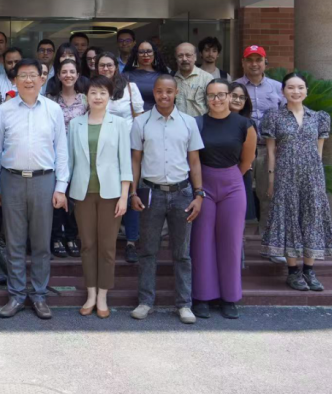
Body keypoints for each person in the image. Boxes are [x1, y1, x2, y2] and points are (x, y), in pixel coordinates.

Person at [0, 59, 69, 320]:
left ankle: (39, 296)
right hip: (11, 180)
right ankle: (15, 295)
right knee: (14, 242)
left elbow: (62, 151)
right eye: (22, 75)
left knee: (40, 243)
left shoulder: (53, 109)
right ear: (14, 80)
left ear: (41, 78)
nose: (28, 80)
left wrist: (61, 187)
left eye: (33, 75)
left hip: (44, 181)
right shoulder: (4, 110)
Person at [129, 74, 205, 325]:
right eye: (160, 91)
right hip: (151, 192)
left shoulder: (188, 123)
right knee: (147, 250)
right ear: (154, 92)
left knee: (182, 253)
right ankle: (145, 301)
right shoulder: (141, 122)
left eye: (169, 91)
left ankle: (184, 304)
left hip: (182, 192)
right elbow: (136, 160)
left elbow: (194, 161)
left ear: (176, 93)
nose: (164, 96)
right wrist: (132, 192)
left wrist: (199, 194)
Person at [261, 73, 332, 292]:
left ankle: (309, 270)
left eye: (300, 87)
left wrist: (319, 180)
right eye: (291, 88)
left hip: (312, 176)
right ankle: (293, 272)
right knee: (289, 219)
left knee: (311, 218)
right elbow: (272, 152)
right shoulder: (274, 117)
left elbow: (319, 152)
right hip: (285, 175)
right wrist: (272, 180)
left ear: (306, 91)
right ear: (283, 91)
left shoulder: (319, 117)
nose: (296, 91)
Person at [190, 79, 257, 320]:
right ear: (205, 98)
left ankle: (229, 297)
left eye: (221, 95)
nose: (216, 100)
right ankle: (202, 297)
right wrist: (201, 187)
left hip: (232, 184)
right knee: (201, 241)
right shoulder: (197, 124)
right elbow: (193, 159)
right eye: (211, 95)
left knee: (230, 241)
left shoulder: (244, 125)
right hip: (203, 184)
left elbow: (247, 161)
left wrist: (229, 179)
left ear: (230, 97)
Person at [67, 75, 133, 319]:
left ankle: (103, 296)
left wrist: (124, 196)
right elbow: (69, 161)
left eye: (102, 93)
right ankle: (91, 294)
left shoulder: (119, 124)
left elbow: (125, 162)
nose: (97, 97)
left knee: (107, 247)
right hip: (82, 193)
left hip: (111, 194)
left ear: (109, 96)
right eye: (93, 92)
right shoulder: (75, 124)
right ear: (86, 96)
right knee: (87, 245)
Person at [96, 51, 144, 262]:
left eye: (109, 65)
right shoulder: (93, 87)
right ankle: (106, 240)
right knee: (105, 195)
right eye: (101, 65)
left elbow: (139, 117)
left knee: (131, 192)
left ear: (116, 67)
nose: (105, 69)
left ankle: (131, 241)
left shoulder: (130, 88)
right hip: (101, 149)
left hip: (128, 148)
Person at [235, 45, 285, 240]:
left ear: (265, 62)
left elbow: (286, 115)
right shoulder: (235, 86)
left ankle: (269, 241)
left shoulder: (278, 87)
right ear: (243, 63)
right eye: (250, 60)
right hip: (239, 150)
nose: (254, 64)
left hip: (267, 150)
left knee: (267, 195)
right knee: (238, 196)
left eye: (258, 60)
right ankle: (238, 242)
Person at [47, 58, 86, 258]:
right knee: (56, 195)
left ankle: (71, 235)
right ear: (59, 75)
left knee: (74, 198)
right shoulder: (50, 100)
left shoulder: (86, 100)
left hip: (80, 156)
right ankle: (56, 236)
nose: (68, 75)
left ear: (78, 75)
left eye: (72, 71)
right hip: (54, 156)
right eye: (64, 71)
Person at [228, 83, 257, 221]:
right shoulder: (211, 120)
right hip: (214, 175)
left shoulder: (248, 124)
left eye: (241, 97)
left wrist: (235, 176)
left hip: (239, 175)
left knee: (237, 219)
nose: (237, 100)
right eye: (234, 96)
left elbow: (251, 155)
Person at [124, 40, 170, 112]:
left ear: (154, 53)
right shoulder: (126, 76)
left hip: (157, 118)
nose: (146, 55)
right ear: (136, 55)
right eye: (141, 52)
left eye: (149, 51)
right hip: (132, 118)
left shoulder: (163, 76)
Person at [174, 42, 214, 117]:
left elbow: (213, 106)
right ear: (176, 58)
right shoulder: (172, 80)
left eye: (188, 55)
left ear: (195, 57)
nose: (184, 59)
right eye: (180, 56)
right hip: (177, 126)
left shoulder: (207, 78)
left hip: (200, 126)